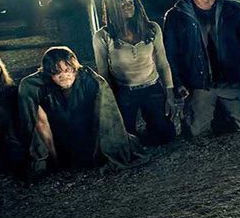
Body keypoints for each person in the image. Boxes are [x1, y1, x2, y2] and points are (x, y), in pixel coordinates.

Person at [163, 0, 240, 138]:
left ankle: (223, 113)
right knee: (195, 131)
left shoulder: (233, 9)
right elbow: (171, 53)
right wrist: (178, 82)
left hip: (231, 80)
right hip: (200, 84)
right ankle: (210, 111)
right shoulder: (176, 16)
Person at [18, 47, 146, 174]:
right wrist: (50, 160)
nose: (64, 76)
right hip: (60, 137)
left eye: (67, 70)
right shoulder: (34, 85)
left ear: (75, 69)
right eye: (56, 72)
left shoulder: (91, 80)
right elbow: (36, 123)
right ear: (48, 73)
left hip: (87, 133)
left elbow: (106, 118)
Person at [94, 0, 176, 145]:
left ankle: (150, 132)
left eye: (130, 2)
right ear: (112, 8)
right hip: (124, 91)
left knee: (166, 136)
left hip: (152, 87)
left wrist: (170, 95)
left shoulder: (152, 29)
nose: (128, 7)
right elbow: (103, 72)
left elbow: (162, 63)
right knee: (124, 140)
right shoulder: (103, 36)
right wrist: (110, 104)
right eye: (121, 4)